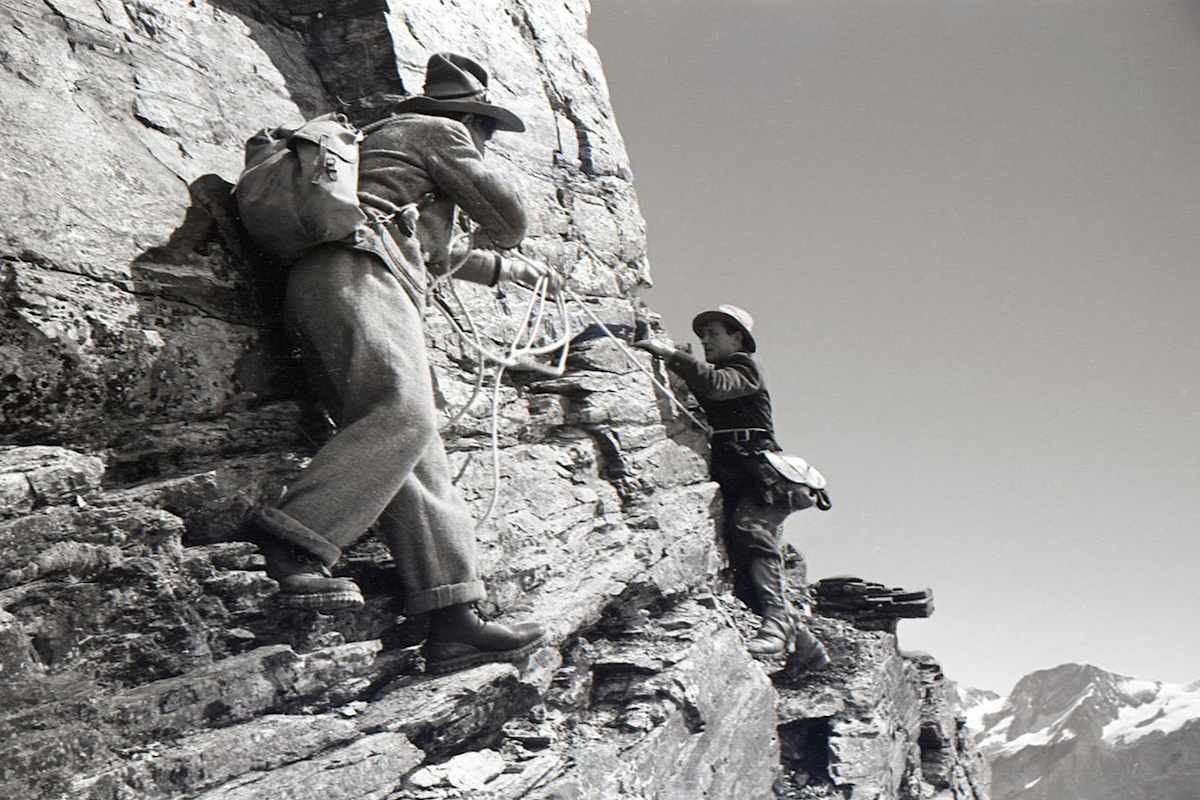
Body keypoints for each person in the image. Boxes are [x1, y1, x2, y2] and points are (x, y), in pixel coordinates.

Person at [247, 52, 556, 675]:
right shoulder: (438, 132)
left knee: (420, 456)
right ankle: (291, 538)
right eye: (487, 129)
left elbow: (436, 250)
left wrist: (507, 271)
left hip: (350, 275)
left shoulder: (390, 154)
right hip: (359, 273)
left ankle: (453, 617)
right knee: (403, 414)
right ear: (471, 117)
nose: (486, 140)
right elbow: (509, 220)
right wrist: (492, 210)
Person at [634, 305, 829, 667]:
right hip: (735, 472)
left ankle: (777, 626)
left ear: (737, 338)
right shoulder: (722, 371)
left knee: (751, 530)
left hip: (759, 471)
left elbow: (716, 386)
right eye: (702, 335)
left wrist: (673, 356)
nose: (705, 340)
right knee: (742, 568)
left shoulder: (744, 367)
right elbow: (704, 388)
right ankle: (806, 646)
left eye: (713, 333)